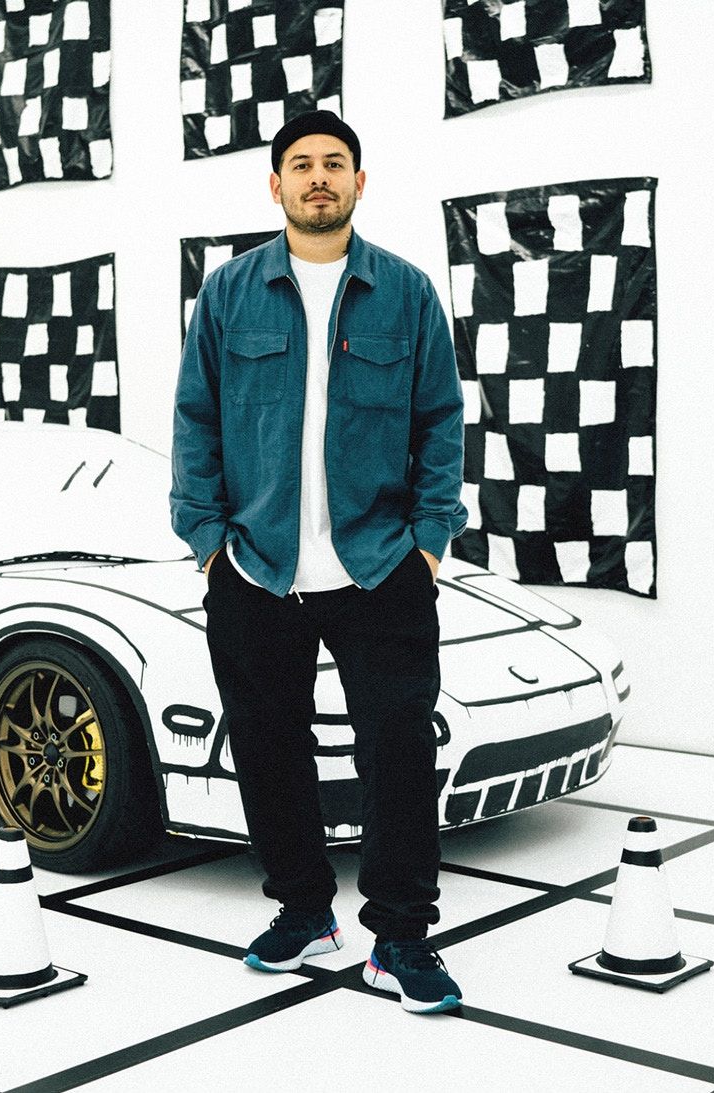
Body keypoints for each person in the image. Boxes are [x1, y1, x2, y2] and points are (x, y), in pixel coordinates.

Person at [169, 110, 468, 1014]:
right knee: (267, 747)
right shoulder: (229, 293)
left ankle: (401, 936)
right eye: (301, 164)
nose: (318, 178)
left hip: (380, 566)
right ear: (276, 185)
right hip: (256, 568)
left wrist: (428, 541)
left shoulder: (407, 292)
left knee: (398, 751)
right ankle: (304, 909)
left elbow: (441, 421)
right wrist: (208, 541)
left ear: (359, 182)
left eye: (335, 163)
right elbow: (195, 419)